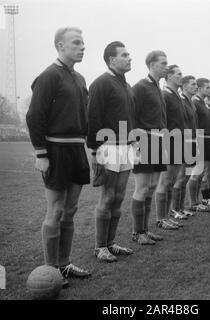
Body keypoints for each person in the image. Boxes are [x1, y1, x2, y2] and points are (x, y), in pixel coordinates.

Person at [26, 27, 91, 287]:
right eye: (76, 43)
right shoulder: (49, 75)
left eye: (83, 43)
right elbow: (34, 116)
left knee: (71, 210)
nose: (82, 47)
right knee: (55, 210)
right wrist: (41, 153)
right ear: (60, 46)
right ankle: (51, 269)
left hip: (77, 149)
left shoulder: (80, 78)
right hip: (55, 149)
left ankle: (64, 264)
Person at [87, 41, 135, 262]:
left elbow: (129, 118)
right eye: (124, 55)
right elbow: (93, 118)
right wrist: (95, 151)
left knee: (119, 197)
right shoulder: (101, 83)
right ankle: (100, 247)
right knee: (107, 198)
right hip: (108, 148)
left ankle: (111, 242)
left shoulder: (125, 85)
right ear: (111, 60)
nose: (129, 58)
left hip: (126, 147)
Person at [131, 50, 168, 245]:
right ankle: (137, 232)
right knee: (142, 188)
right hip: (144, 141)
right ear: (152, 64)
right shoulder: (140, 87)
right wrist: (135, 140)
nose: (166, 66)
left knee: (152, 187)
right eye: (163, 63)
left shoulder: (157, 88)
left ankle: (145, 229)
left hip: (158, 141)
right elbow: (130, 115)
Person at [155, 65, 187, 231]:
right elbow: (162, 121)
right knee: (165, 181)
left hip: (180, 141)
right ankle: (161, 219)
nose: (182, 76)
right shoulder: (165, 95)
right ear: (168, 77)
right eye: (179, 74)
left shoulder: (177, 96)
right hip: (169, 142)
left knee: (171, 181)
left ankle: (166, 216)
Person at [186, 78, 210, 213]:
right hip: (199, 138)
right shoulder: (195, 102)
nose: (209, 90)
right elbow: (193, 123)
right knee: (196, 173)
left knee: (202, 172)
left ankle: (198, 201)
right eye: (207, 87)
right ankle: (193, 202)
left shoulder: (202, 102)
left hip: (206, 138)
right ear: (200, 88)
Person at [172, 75, 199, 216]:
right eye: (193, 84)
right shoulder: (181, 101)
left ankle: (181, 208)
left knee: (187, 177)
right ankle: (175, 210)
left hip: (192, 141)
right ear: (184, 86)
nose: (196, 86)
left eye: (196, 84)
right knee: (181, 178)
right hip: (184, 141)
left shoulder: (191, 102)